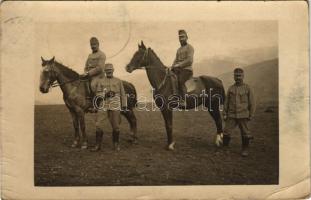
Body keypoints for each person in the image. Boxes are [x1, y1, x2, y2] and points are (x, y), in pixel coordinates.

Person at [91, 63, 127, 151]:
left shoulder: (118, 81)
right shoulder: (101, 81)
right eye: (107, 71)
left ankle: (116, 144)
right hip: (104, 104)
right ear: (105, 71)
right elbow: (98, 93)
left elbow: (123, 94)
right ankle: (98, 145)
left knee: (116, 126)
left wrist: (124, 105)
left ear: (113, 70)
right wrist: (104, 94)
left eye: (110, 70)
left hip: (115, 104)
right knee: (98, 124)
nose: (109, 72)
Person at [223, 68, 256, 157]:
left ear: (243, 76)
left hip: (243, 115)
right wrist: (224, 113)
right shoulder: (231, 88)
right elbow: (226, 102)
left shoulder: (247, 88)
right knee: (226, 131)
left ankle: (245, 149)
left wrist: (251, 115)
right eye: (236, 76)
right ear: (233, 76)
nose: (238, 78)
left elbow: (252, 103)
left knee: (245, 133)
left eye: (239, 76)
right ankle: (225, 148)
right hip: (231, 115)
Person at [171, 29, 194, 106]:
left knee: (180, 81)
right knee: (169, 78)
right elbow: (175, 60)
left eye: (183, 37)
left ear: (187, 37)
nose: (181, 39)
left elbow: (190, 60)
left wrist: (179, 65)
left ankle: (184, 101)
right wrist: (171, 67)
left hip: (187, 70)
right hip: (178, 70)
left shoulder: (190, 47)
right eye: (180, 37)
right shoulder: (178, 50)